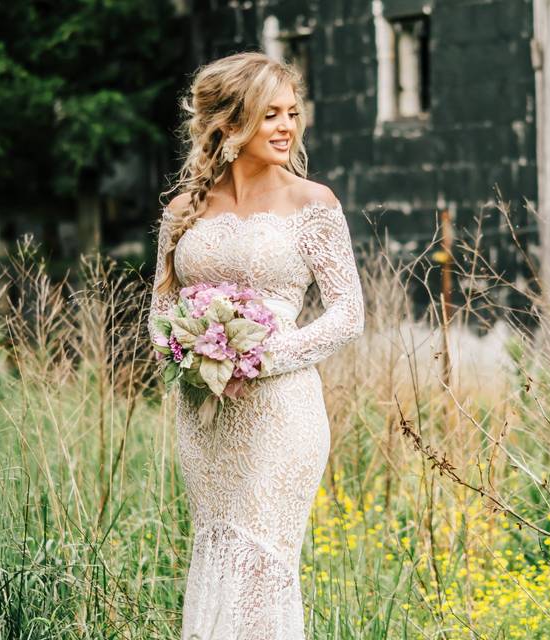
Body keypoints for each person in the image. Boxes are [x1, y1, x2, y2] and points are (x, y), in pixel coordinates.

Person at [147, 51, 365, 639]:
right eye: (270, 114)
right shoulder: (183, 210)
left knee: (262, 560)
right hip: (205, 414)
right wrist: (191, 354)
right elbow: (160, 312)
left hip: (283, 414)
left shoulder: (312, 204)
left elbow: (348, 314)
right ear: (228, 122)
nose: (287, 127)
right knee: (217, 550)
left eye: (293, 113)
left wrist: (256, 357)